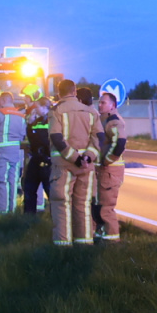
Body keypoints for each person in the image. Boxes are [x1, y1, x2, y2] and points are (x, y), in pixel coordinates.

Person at [47, 80, 100, 247]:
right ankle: (84, 243)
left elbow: (56, 138)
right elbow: (99, 139)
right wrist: (87, 157)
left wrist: (74, 157)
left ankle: (63, 245)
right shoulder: (91, 112)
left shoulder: (56, 111)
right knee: (83, 205)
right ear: (75, 91)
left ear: (59, 92)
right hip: (86, 167)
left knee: (61, 204)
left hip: (63, 166)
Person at [92, 87, 129, 243]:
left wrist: (107, 160)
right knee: (99, 205)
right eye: (99, 102)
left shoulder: (113, 121)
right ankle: (101, 235)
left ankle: (112, 241)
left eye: (103, 103)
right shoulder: (104, 119)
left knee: (106, 208)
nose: (99, 105)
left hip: (110, 170)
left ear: (112, 105)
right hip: (104, 169)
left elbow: (119, 143)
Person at [0, 90, 27, 214]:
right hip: (16, 152)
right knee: (12, 181)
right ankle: (11, 210)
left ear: (2, 100)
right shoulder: (21, 115)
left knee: (0, 181)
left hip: (1, 152)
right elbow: (23, 135)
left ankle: (1, 211)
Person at [22, 89, 52, 214]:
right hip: (35, 159)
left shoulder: (53, 121)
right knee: (29, 188)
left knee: (50, 190)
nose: (35, 109)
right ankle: (29, 217)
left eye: (37, 107)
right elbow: (31, 138)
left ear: (45, 107)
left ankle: (55, 218)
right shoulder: (36, 121)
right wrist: (29, 124)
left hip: (48, 160)